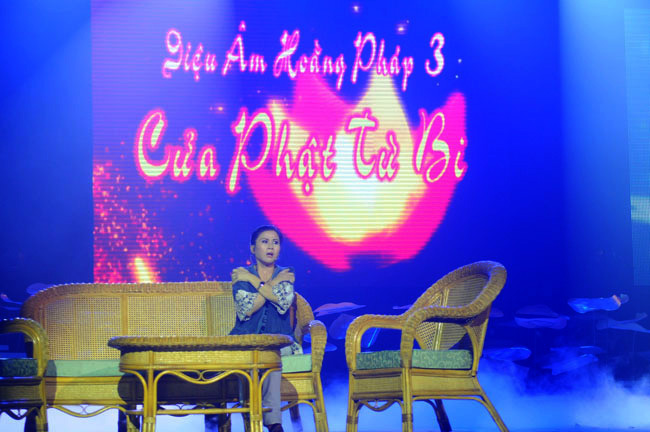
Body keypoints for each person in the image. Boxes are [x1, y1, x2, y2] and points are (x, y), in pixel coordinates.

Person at [221, 225, 300, 432]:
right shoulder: (241, 274)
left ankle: (274, 424)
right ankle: (257, 419)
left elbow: (283, 302)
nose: (271, 246)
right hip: (246, 340)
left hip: (279, 343)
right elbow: (248, 308)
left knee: (270, 358)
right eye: (265, 242)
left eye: (275, 242)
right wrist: (271, 284)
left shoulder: (286, 273)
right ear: (253, 248)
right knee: (254, 358)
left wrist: (254, 281)